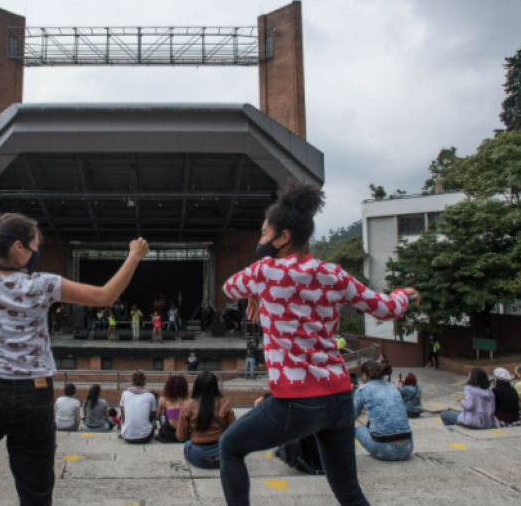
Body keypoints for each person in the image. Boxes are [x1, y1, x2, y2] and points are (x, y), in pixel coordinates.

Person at [0, 213, 149, 506]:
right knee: (36, 494)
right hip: (34, 392)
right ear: (19, 247)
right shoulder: (43, 284)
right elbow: (105, 296)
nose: (36, 252)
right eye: (34, 246)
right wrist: (133, 256)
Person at [219, 179, 418, 506]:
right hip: (339, 398)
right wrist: (404, 295)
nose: (260, 240)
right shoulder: (334, 275)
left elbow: (229, 288)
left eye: (264, 234)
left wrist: (255, 290)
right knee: (349, 492)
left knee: (230, 447)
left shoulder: (264, 271)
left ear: (283, 237)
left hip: (296, 402)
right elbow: (386, 307)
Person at [354, 361, 414, 461]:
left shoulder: (363, 389)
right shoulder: (393, 387)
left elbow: (351, 415)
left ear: (365, 375)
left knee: (352, 421)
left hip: (383, 449)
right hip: (407, 448)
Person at [177, 371, 236, 469]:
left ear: (197, 386)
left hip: (199, 458)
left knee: (187, 445)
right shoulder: (224, 403)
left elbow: (181, 437)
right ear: (215, 386)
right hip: (222, 458)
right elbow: (234, 431)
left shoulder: (188, 405)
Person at [119, 370, 156, 444]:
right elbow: (153, 415)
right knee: (152, 420)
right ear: (145, 382)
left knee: (123, 418)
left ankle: (123, 431)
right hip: (145, 437)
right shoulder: (150, 396)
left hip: (127, 436)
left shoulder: (124, 394)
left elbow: (123, 415)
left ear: (132, 382)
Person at [156, 375, 188, 443]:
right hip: (183, 436)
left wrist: (165, 412)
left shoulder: (163, 399)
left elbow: (157, 416)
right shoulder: (187, 400)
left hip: (167, 436)